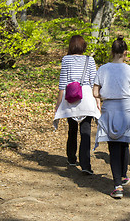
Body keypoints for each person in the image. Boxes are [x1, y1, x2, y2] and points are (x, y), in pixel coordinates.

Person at [93, 36, 130, 199]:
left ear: (112, 52)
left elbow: (95, 92)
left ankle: (117, 185)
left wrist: (104, 96)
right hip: (126, 107)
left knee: (113, 146)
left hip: (109, 109)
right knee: (124, 142)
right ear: (125, 53)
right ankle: (123, 176)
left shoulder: (103, 69)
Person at [54, 35, 101, 175]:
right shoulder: (90, 60)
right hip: (86, 97)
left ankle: (71, 158)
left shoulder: (66, 59)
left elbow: (62, 84)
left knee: (72, 129)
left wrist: (58, 104)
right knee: (86, 131)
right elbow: (94, 82)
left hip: (70, 97)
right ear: (83, 46)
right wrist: (98, 100)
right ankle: (86, 164)